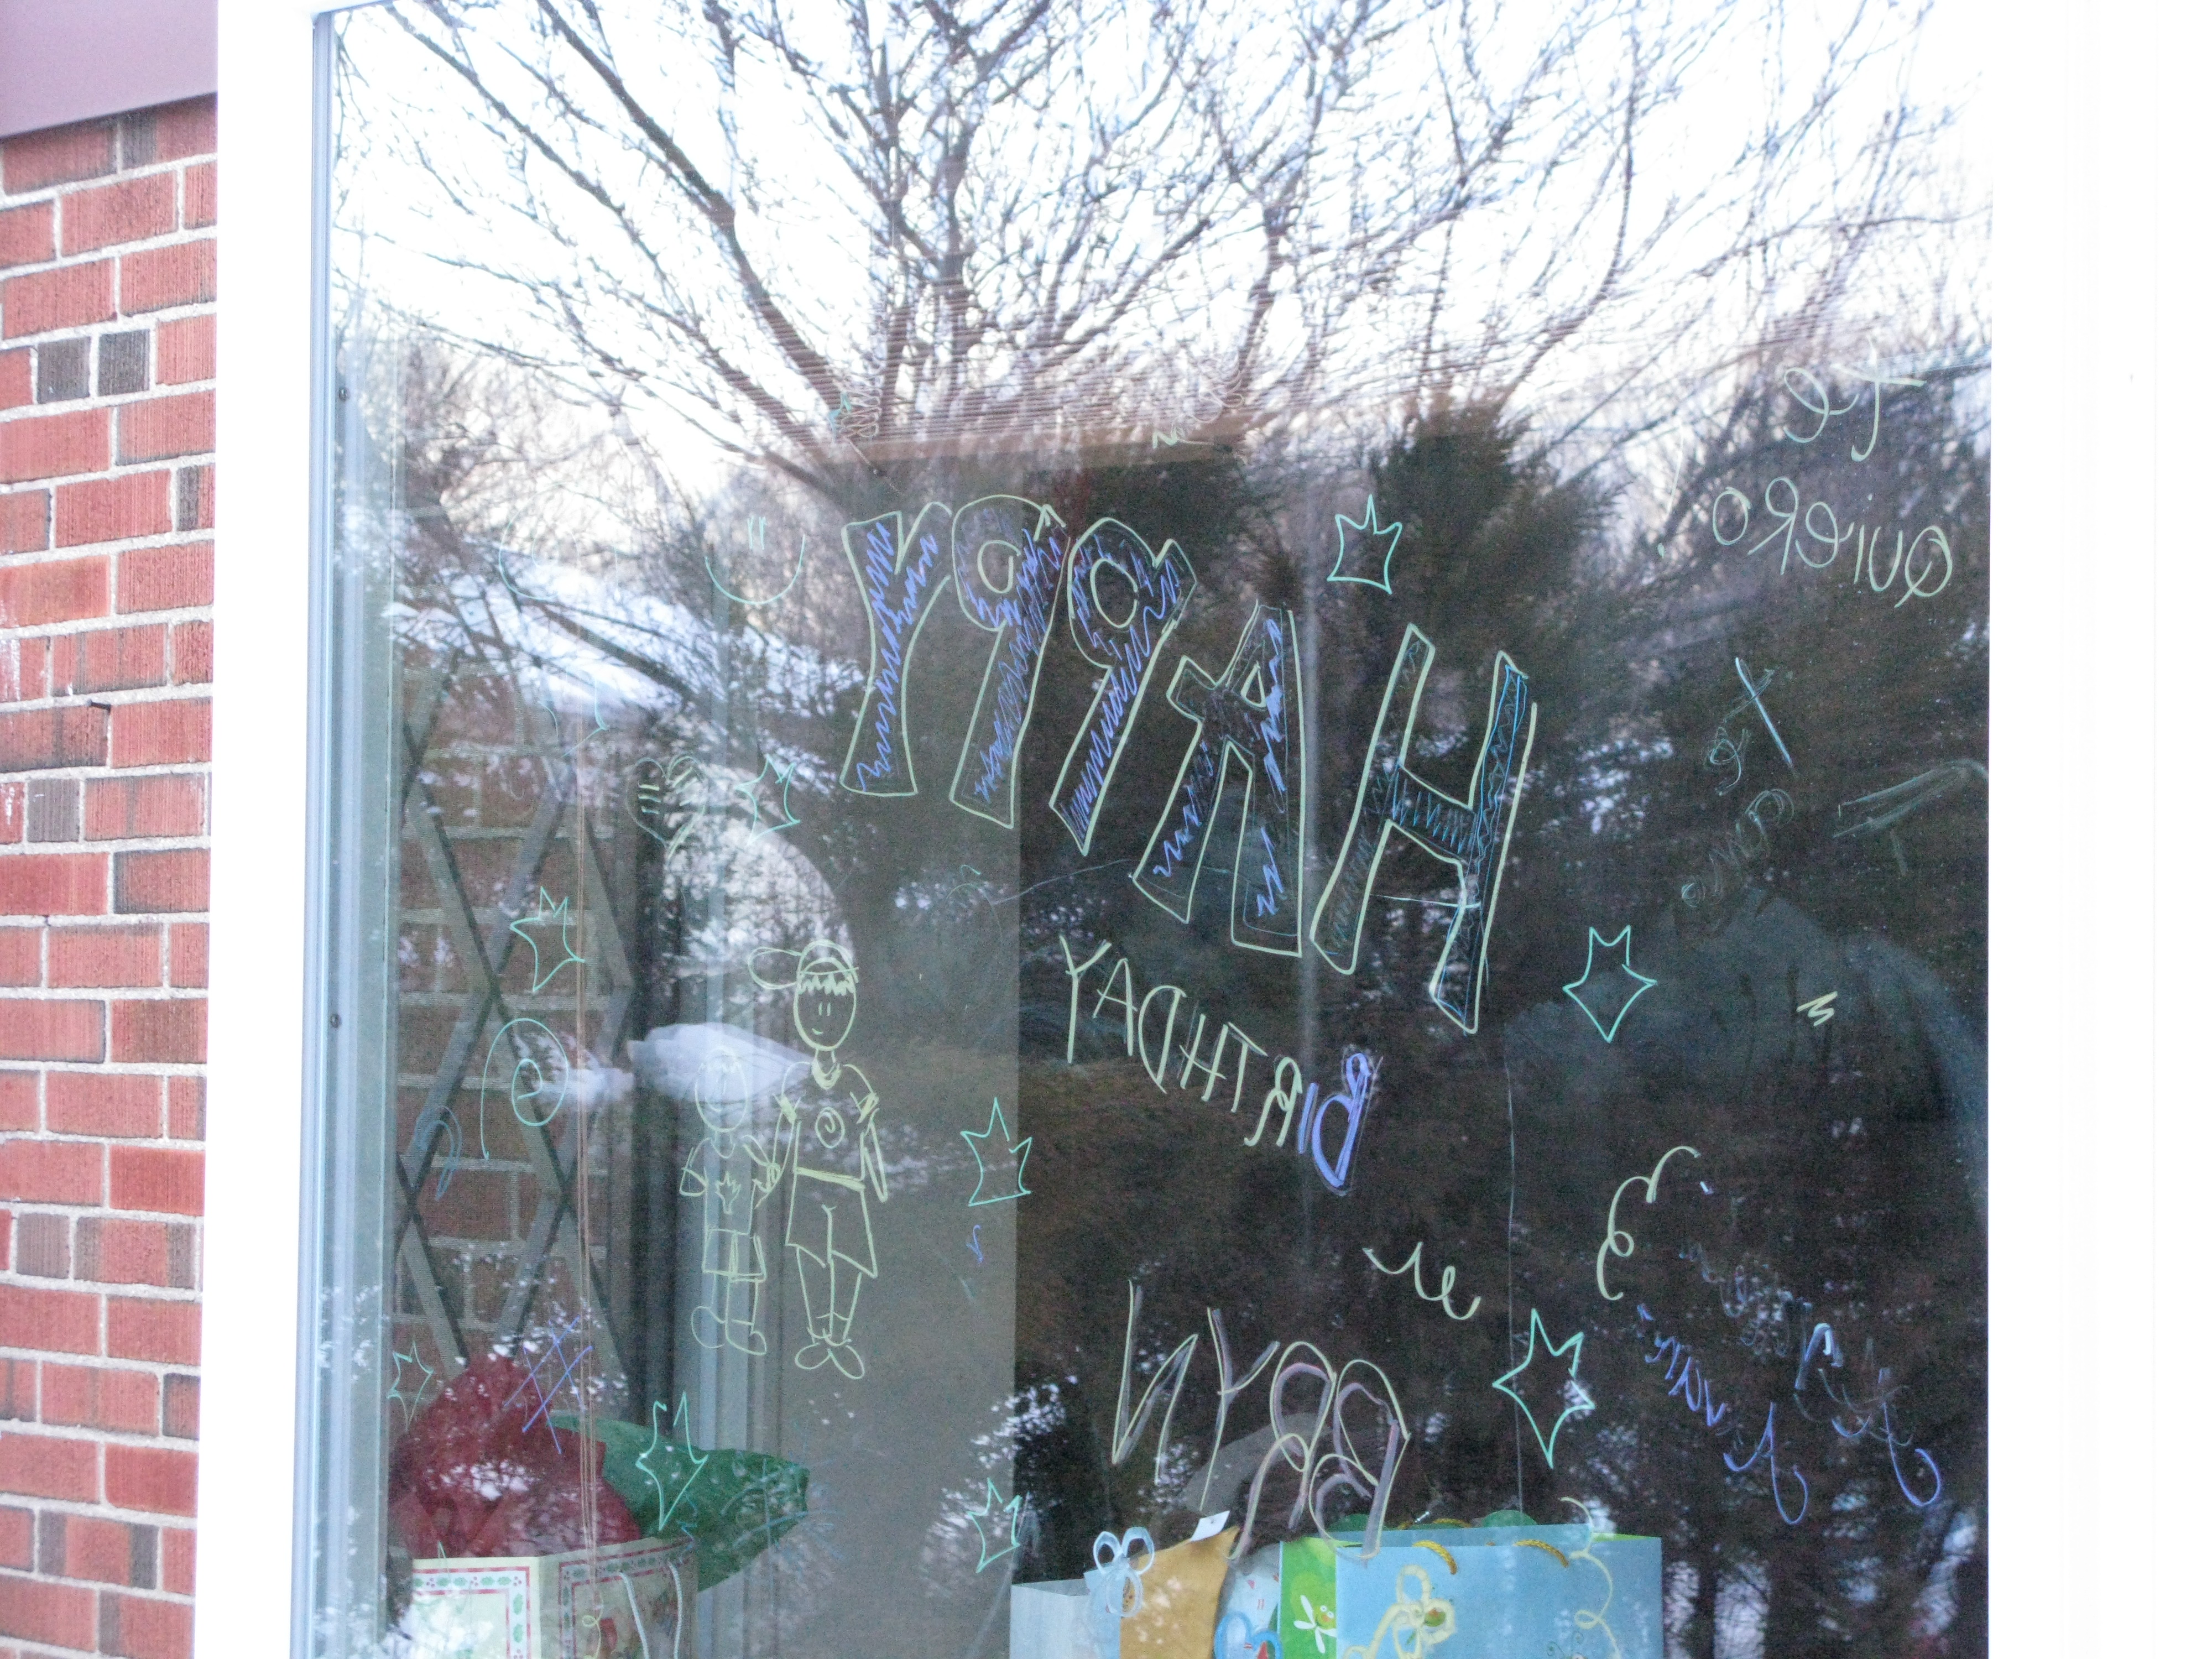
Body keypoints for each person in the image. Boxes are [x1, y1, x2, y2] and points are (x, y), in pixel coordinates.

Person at [747, 940, 886, 1380]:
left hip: (847, 1185)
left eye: (835, 1007)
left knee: (848, 1258)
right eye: (813, 1007)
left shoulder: (854, 1079)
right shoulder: (796, 1079)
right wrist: (771, 1173)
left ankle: (838, 1337)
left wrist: (879, 1179)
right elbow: (782, 1138)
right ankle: (818, 1334)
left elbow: (868, 1134)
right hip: (807, 1180)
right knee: (810, 1255)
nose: (824, 1017)